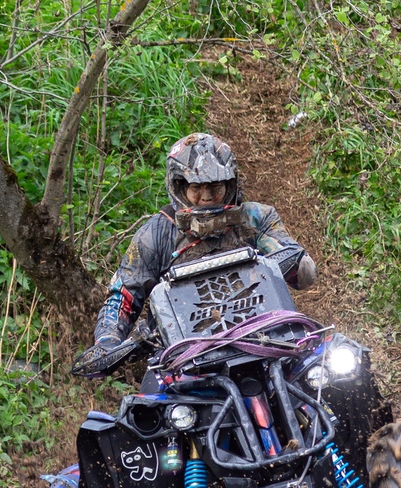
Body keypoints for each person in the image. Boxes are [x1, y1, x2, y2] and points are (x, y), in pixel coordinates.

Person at [89, 132, 317, 354]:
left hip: (262, 336)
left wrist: (294, 263)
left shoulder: (255, 218)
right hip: (182, 352)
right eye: (196, 188)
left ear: (229, 184)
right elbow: (124, 294)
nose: (206, 197)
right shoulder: (156, 233)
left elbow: (303, 274)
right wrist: (107, 342)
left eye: (215, 187)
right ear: (179, 187)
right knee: (151, 381)